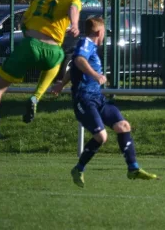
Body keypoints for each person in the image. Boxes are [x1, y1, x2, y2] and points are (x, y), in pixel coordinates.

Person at [52, 17, 158, 187]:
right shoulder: (86, 42)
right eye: (104, 34)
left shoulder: (89, 47)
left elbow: (74, 67)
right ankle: (78, 168)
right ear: (99, 32)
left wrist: (60, 83)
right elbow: (78, 60)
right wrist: (96, 75)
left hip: (97, 98)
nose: (104, 38)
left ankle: (133, 168)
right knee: (101, 136)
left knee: (123, 126)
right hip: (84, 99)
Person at [0, 0, 81, 128]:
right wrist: (75, 24)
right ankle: (36, 97)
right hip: (54, 49)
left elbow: (23, 21)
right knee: (55, 62)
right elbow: (73, 8)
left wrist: (28, 33)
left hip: (30, 45)